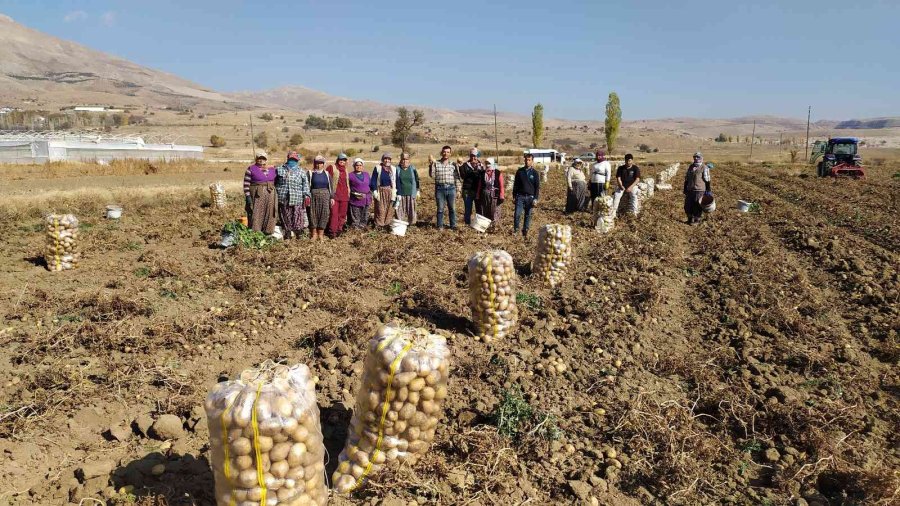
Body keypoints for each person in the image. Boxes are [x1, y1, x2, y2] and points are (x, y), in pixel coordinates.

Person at [274, 151, 310, 239]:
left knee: (297, 217)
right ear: (287, 158)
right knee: (285, 216)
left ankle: (299, 234)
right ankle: (287, 234)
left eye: (294, 159)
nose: (292, 161)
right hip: (283, 198)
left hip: (297, 198)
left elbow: (305, 185)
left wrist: (307, 196)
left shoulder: (301, 171)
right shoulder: (279, 169)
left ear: (297, 160)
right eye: (291, 159)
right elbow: (274, 183)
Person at [243, 153, 278, 234]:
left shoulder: (273, 169)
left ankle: (268, 232)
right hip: (256, 196)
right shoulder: (251, 169)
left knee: (269, 213)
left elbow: (277, 180)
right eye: (259, 158)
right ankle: (256, 233)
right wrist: (248, 196)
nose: (261, 160)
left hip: (270, 195)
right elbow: (246, 184)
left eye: (263, 158)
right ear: (256, 159)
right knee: (256, 213)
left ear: (266, 159)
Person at [428, 145, 460, 230]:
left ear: (450, 154)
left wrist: (458, 190)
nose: (446, 154)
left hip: (451, 188)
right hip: (440, 189)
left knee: (452, 209)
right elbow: (432, 175)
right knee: (440, 209)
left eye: (448, 152)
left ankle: (453, 226)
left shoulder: (453, 164)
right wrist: (431, 164)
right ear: (442, 153)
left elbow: (457, 178)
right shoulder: (436, 163)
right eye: (444, 152)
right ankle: (440, 226)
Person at [513, 152, 540, 238]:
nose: (527, 161)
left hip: (530, 197)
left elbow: (537, 187)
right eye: (526, 160)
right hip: (520, 196)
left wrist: (535, 198)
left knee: (528, 215)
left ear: (532, 161)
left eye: (529, 160)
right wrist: (514, 196)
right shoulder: (520, 171)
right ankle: (516, 230)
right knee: (517, 214)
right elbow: (515, 185)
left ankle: (525, 230)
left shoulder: (535, 173)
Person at [475, 158, 505, 231]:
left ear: (492, 163)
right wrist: (478, 195)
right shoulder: (483, 173)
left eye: (489, 163)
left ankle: (494, 227)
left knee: (494, 211)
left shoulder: (498, 173)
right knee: (484, 210)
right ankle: (484, 227)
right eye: (486, 163)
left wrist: (501, 195)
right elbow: (480, 185)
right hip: (484, 195)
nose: (488, 165)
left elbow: (501, 185)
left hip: (495, 195)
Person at [308, 155, 333, 241]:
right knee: (313, 214)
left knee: (324, 214)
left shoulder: (326, 174)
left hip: (325, 196)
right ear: (314, 164)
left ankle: (321, 234)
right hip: (313, 195)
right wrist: (307, 196)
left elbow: (330, 186)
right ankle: (314, 234)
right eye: (317, 163)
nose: (319, 165)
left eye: (321, 163)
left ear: (323, 164)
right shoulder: (310, 173)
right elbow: (307, 186)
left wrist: (332, 197)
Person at [683, 152, 712, 225]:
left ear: (701, 158)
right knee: (688, 205)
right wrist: (685, 188)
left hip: (699, 190)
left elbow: (707, 180)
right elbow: (686, 178)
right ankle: (690, 219)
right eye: (695, 157)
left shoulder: (704, 167)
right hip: (690, 189)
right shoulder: (691, 166)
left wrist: (708, 190)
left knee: (697, 205)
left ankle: (697, 220)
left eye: (698, 157)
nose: (696, 158)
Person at [326, 153, 351, 238]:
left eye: (344, 160)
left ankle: (339, 230)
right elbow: (327, 180)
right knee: (334, 214)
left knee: (342, 214)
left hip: (344, 196)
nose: (342, 161)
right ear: (337, 160)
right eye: (341, 159)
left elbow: (347, 183)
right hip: (335, 196)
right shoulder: (332, 167)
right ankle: (332, 231)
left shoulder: (346, 170)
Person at [370, 153, 397, 228]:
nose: (387, 160)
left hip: (390, 191)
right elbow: (373, 180)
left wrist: (397, 192)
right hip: (380, 191)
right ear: (382, 160)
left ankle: (387, 225)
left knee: (389, 209)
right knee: (380, 209)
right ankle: (379, 225)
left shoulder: (394, 169)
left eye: (389, 159)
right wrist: (374, 191)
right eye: (385, 159)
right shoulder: (378, 168)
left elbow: (396, 181)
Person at [458, 148, 484, 225]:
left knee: (479, 209)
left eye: (475, 156)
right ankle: (467, 225)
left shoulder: (481, 165)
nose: (473, 157)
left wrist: (479, 169)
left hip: (477, 190)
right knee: (468, 209)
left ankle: (478, 225)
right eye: (472, 155)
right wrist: (460, 167)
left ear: (477, 156)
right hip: (467, 190)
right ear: (469, 156)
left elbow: (483, 177)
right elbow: (463, 176)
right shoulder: (465, 165)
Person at [395, 152, 420, 225]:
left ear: (409, 160)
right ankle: (400, 224)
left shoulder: (412, 168)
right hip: (400, 194)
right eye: (403, 159)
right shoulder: (397, 169)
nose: (405, 161)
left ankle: (411, 225)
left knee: (411, 210)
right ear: (401, 160)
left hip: (411, 193)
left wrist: (417, 190)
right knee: (399, 211)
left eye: (406, 159)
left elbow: (417, 179)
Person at [348, 158, 372, 229]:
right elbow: (347, 186)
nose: (359, 166)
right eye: (357, 165)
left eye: (360, 165)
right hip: (355, 199)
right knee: (355, 216)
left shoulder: (366, 174)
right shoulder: (350, 175)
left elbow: (370, 185)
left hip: (366, 199)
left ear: (362, 166)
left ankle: (362, 228)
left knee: (365, 215)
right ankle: (356, 229)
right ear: (354, 166)